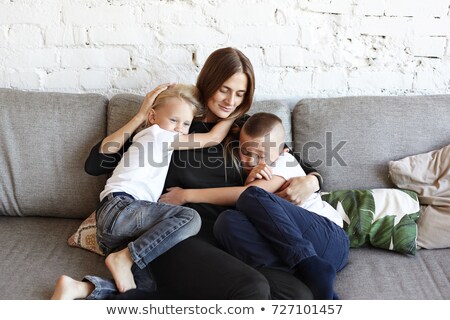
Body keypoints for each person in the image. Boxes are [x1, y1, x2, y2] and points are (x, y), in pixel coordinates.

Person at [52, 47, 322, 300]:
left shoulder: (241, 129)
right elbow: (96, 164)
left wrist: (312, 180)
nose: (230, 101)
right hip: (175, 236)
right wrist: (140, 116)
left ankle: (89, 290)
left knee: (298, 295)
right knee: (252, 288)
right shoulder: (174, 124)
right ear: (207, 83)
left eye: (240, 94)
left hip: (230, 235)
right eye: (224, 90)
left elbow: (292, 160)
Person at [161, 112, 349, 299]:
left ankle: (313, 267)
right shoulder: (252, 166)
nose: (250, 161)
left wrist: (186, 195)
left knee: (250, 196)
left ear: (283, 151)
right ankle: (298, 278)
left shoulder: (285, 162)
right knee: (227, 222)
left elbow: (246, 195)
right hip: (292, 246)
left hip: (329, 239)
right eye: (245, 151)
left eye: (260, 155)